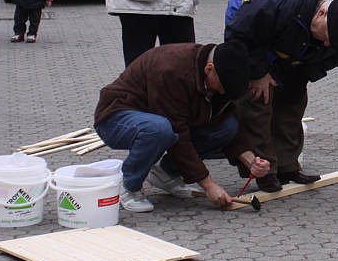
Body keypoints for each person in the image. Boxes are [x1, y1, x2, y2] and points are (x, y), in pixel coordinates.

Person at [223, 0, 338, 192]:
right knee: (257, 99)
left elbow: (331, 58)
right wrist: (259, 72)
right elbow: (237, 37)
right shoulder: (277, 3)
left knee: (293, 99)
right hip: (249, 27)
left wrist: (299, 77)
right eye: (327, 38)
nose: (327, 44)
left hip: (292, 39)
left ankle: (287, 166)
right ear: (321, 13)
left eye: (332, 43)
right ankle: (263, 169)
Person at [94, 40, 269, 212]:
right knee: (159, 130)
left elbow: (224, 119)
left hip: (159, 118)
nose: (223, 93)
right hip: (116, 118)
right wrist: (208, 184)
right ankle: (128, 186)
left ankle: (166, 174)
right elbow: (179, 134)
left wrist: (251, 161)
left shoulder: (220, 75)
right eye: (222, 88)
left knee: (226, 128)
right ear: (209, 69)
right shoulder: (171, 70)